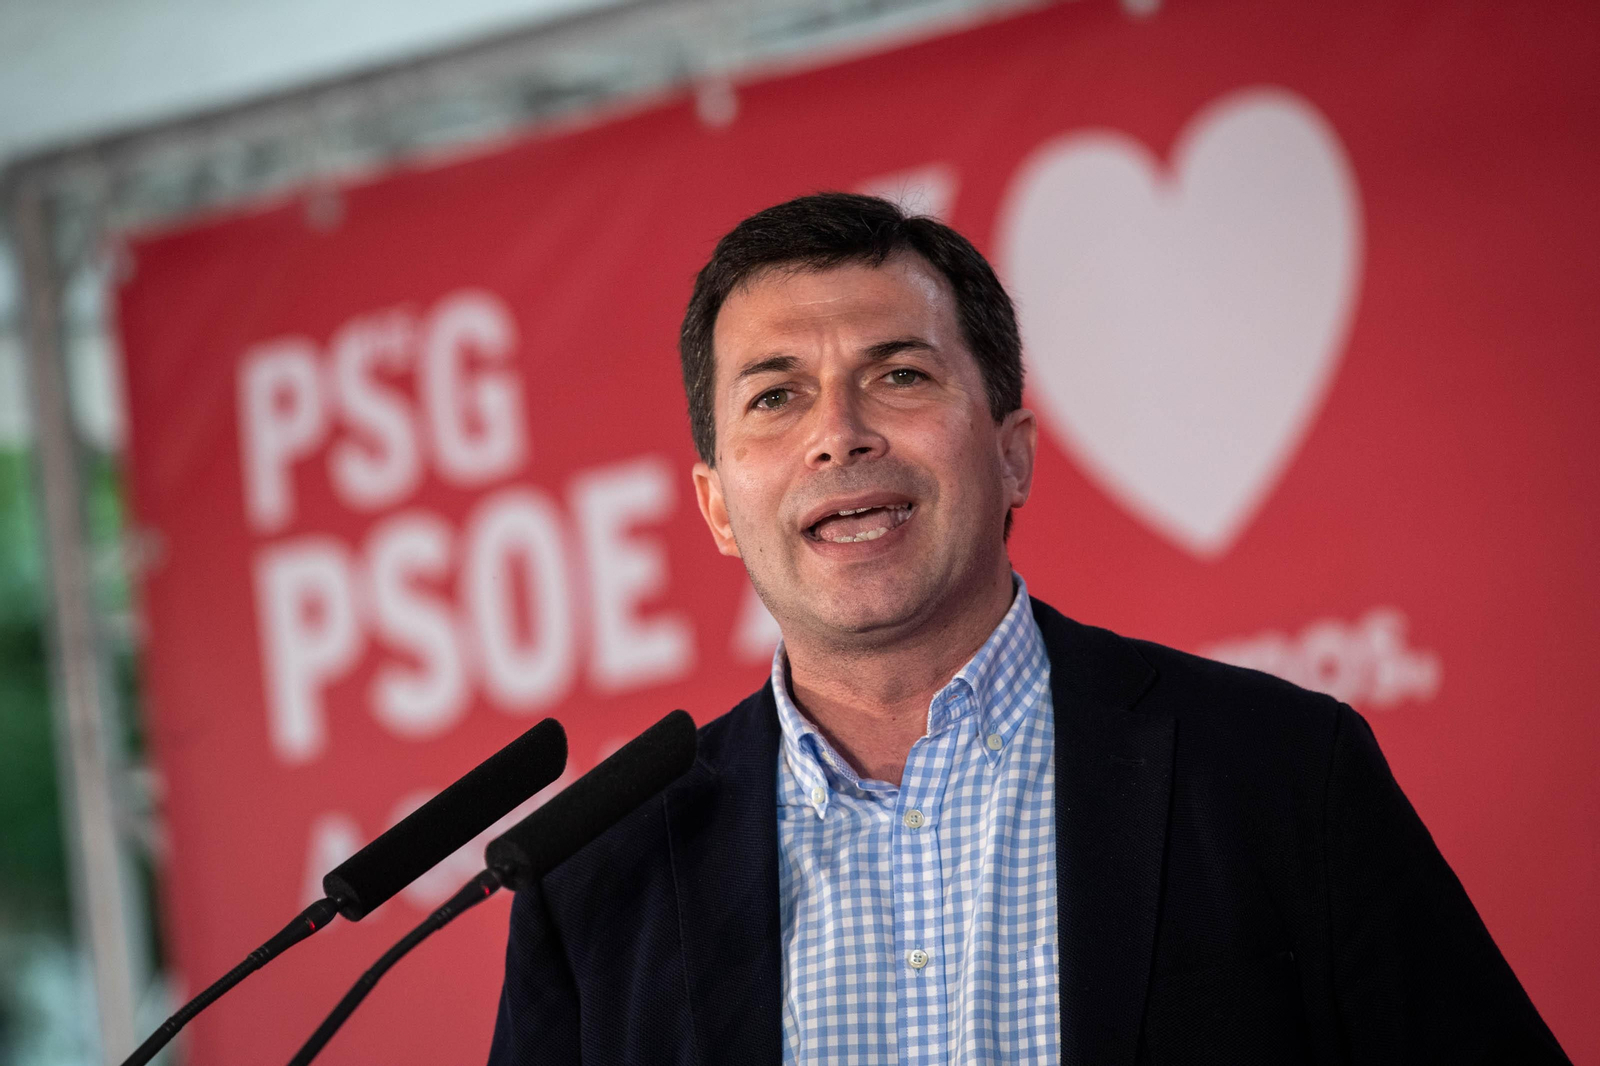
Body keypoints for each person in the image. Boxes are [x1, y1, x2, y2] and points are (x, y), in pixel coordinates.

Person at [488, 193, 1568, 1065]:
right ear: (718, 505)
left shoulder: (1279, 771)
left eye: (898, 375)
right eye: (776, 398)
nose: (839, 434)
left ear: (1012, 453)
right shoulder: (599, 873)